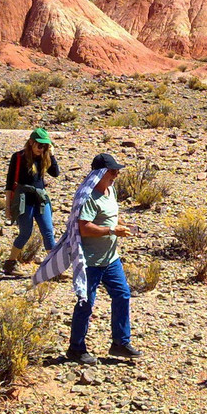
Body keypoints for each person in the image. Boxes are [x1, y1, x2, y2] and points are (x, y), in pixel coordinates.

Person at [67, 153, 141, 365]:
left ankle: (120, 342)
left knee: (122, 295)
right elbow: (84, 228)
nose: (116, 174)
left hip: (110, 258)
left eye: (117, 171)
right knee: (86, 303)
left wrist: (121, 226)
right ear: (99, 173)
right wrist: (111, 230)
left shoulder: (111, 190)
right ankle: (76, 348)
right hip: (90, 261)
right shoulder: (89, 197)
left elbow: (111, 217)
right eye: (112, 171)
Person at [4, 128, 60, 275]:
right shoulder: (18, 157)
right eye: (39, 145)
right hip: (24, 200)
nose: (41, 149)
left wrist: (51, 155)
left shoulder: (44, 157)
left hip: (40, 199)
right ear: (31, 142)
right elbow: (10, 184)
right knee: (25, 233)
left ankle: (54, 268)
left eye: (45, 146)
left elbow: (55, 173)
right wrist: (8, 207)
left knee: (48, 231)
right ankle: (10, 264)